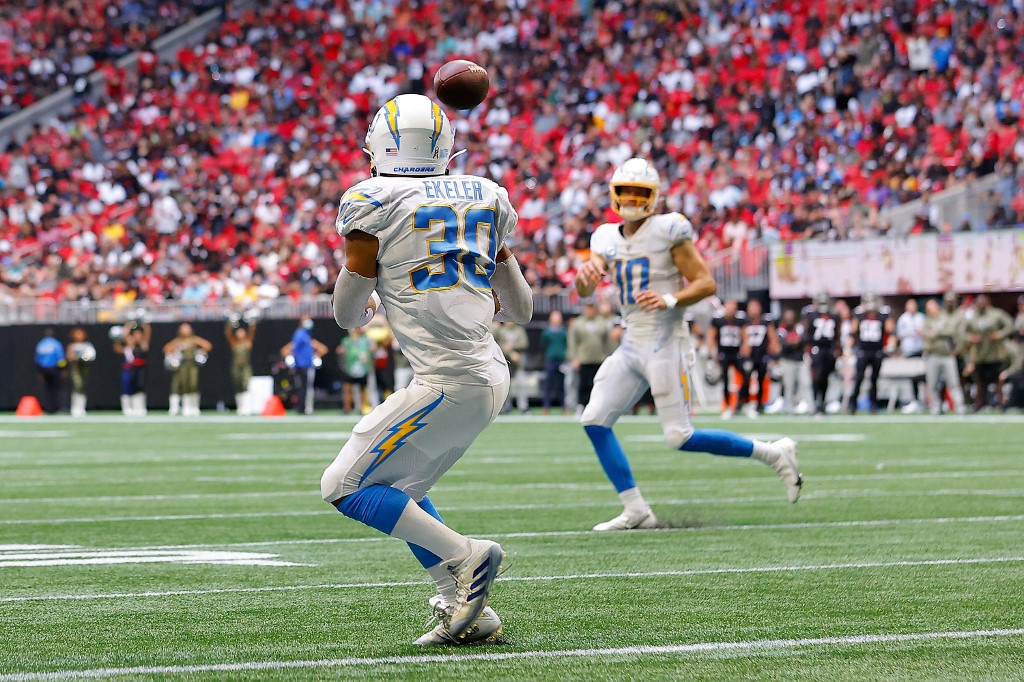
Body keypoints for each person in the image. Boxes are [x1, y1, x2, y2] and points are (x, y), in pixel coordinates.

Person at [319, 93, 533, 645]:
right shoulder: (486, 195)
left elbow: (344, 315)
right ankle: (469, 608)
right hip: (489, 372)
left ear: (381, 147)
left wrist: (367, 302)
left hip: (448, 380)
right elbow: (523, 308)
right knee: (401, 486)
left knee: (344, 486)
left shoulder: (374, 197)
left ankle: (466, 555)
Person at [575, 157, 801, 532]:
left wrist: (669, 299)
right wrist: (585, 275)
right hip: (632, 342)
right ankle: (636, 510)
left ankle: (774, 452)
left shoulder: (669, 229)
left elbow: (706, 283)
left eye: (639, 192)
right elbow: (587, 284)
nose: (631, 199)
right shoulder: (605, 237)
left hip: (666, 340)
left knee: (680, 436)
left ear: (654, 197)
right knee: (594, 420)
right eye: (625, 191)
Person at [963, 294, 1013, 411]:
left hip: (994, 354)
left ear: (987, 302)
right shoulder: (972, 316)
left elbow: (1009, 325)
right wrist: (970, 338)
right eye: (978, 303)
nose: (980, 305)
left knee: (997, 382)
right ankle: (978, 405)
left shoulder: (996, 314)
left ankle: (1002, 405)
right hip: (979, 356)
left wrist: (999, 335)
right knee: (979, 382)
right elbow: (962, 332)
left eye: (982, 302)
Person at [847, 294, 894, 414]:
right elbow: (853, 332)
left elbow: (891, 331)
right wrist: (847, 348)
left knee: (874, 379)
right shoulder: (859, 314)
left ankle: (873, 404)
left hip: (877, 351)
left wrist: (891, 344)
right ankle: (853, 404)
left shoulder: (883, 315)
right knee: (859, 378)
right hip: (863, 350)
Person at [922, 297, 966, 415]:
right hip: (932, 355)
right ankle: (935, 408)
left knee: (953, 382)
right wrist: (937, 334)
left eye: (931, 306)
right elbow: (926, 334)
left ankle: (960, 407)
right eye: (928, 307)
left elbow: (950, 331)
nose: (929, 309)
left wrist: (936, 333)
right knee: (932, 384)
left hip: (947, 355)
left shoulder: (945, 318)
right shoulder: (927, 321)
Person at [569, 300, 613, 411]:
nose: (590, 310)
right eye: (588, 307)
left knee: (598, 384)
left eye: (592, 307)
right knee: (583, 384)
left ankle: (597, 406)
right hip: (584, 358)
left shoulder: (601, 322)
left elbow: (607, 342)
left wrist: (608, 356)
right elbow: (573, 342)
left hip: (599, 358)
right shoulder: (578, 323)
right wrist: (574, 357)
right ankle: (581, 405)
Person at [280, 315, 328, 415]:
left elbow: (322, 349)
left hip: (306, 364)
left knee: (305, 387)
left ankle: (305, 407)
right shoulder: (299, 334)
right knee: (304, 387)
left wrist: (315, 356)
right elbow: (292, 348)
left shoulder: (306, 334)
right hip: (302, 364)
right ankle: (302, 407)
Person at [708, 299, 747, 419]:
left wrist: (746, 350)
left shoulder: (740, 320)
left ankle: (741, 404)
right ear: (724, 306)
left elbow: (745, 336)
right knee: (725, 381)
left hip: (737, 353)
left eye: (733, 305)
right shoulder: (718, 320)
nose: (731, 308)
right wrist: (711, 354)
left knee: (745, 377)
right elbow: (711, 337)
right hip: (723, 353)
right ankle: (728, 407)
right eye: (729, 305)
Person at [802, 292, 840, 416]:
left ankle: (822, 403)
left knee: (825, 377)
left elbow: (837, 334)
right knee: (816, 376)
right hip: (816, 348)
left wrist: (838, 349)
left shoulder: (834, 315)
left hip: (828, 349)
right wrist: (807, 348)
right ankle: (815, 403)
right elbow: (807, 332)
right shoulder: (811, 315)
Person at [164, 323, 213, 417]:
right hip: (182, 365)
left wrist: (201, 352)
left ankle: (194, 407)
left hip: (192, 365)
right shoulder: (178, 341)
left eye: (187, 328)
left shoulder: (194, 339)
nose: (185, 330)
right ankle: (185, 407)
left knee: (193, 384)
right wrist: (176, 352)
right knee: (183, 385)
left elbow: (208, 345)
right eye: (183, 329)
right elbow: (167, 348)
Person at [741, 299, 778, 417]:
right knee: (746, 380)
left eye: (756, 307)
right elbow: (742, 337)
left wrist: (775, 354)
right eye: (752, 307)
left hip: (762, 355)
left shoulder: (766, 320)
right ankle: (744, 403)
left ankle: (759, 404)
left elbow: (772, 337)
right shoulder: (744, 321)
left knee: (761, 381)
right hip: (749, 356)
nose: (754, 310)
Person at [114, 321, 151, 416]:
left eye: (139, 334)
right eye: (135, 334)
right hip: (130, 369)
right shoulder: (130, 345)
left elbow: (147, 332)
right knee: (128, 387)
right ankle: (127, 408)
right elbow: (125, 336)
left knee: (140, 386)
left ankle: (140, 408)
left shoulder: (144, 344)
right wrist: (129, 324)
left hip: (141, 369)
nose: (137, 336)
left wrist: (144, 323)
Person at [895, 298, 926, 412]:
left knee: (921, 376)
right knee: (911, 377)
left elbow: (926, 331)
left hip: (920, 350)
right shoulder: (903, 318)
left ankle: (923, 400)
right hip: (909, 351)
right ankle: (914, 400)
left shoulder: (921, 317)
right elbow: (899, 334)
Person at [776, 309, 809, 414]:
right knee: (789, 386)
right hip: (787, 360)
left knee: (806, 383)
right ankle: (790, 409)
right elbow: (782, 344)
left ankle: (810, 408)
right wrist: (793, 342)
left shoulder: (799, 328)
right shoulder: (782, 329)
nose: (789, 319)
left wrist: (793, 341)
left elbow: (804, 339)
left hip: (800, 360)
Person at [493, 320, 530, 413]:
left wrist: (512, 346)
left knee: (521, 385)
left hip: (518, 363)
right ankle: (505, 407)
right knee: (505, 387)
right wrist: (511, 353)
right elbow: (498, 344)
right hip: (505, 362)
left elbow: (524, 343)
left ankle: (523, 407)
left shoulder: (519, 330)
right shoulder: (500, 330)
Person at [337, 326, 373, 414]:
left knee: (363, 390)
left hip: (362, 368)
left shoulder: (365, 340)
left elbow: (373, 349)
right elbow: (339, 350)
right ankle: (347, 408)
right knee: (348, 389)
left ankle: (363, 407)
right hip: (350, 368)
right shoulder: (347, 340)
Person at [225, 316, 257, 415]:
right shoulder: (234, 343)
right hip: (236, 367)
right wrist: (230, 323)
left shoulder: (247, 342)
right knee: (238, 385)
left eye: (242, 332)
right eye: (239, 332)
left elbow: (252, 331)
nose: (240, 333)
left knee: (245, 384)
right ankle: (240, 406)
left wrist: (252, 321)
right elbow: (228, 333)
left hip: (245, 366)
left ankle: (246, 407)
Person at [540, 310, 568, 414]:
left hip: (561, 361)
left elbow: (566, 344)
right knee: (548, 385)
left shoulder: (564, 331)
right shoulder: (547, 332)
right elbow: (543, 344)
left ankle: (564, 406)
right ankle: (546, 406)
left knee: (562, 385)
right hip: (550, 360)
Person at [34, 328, 65, 414]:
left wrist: (39, 371)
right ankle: (62, 407)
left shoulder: (41, 344)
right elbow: (61, 357)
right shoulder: (56, 343)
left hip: (44, 369)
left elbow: (37, 358)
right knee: (59, 389)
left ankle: (50, 409)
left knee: (48, 389)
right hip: (54, 368)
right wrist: (62, 369)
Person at [66, 327, 96, 417]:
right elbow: (69, 357)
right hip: (76, 367)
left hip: (84, 367)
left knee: (83, 386)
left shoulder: (87, 345)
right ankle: (75, 408)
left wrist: (86, 358)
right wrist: (77, 358)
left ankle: (81, 407)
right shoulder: (72, 345)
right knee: (77, 385)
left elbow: (91, 355)